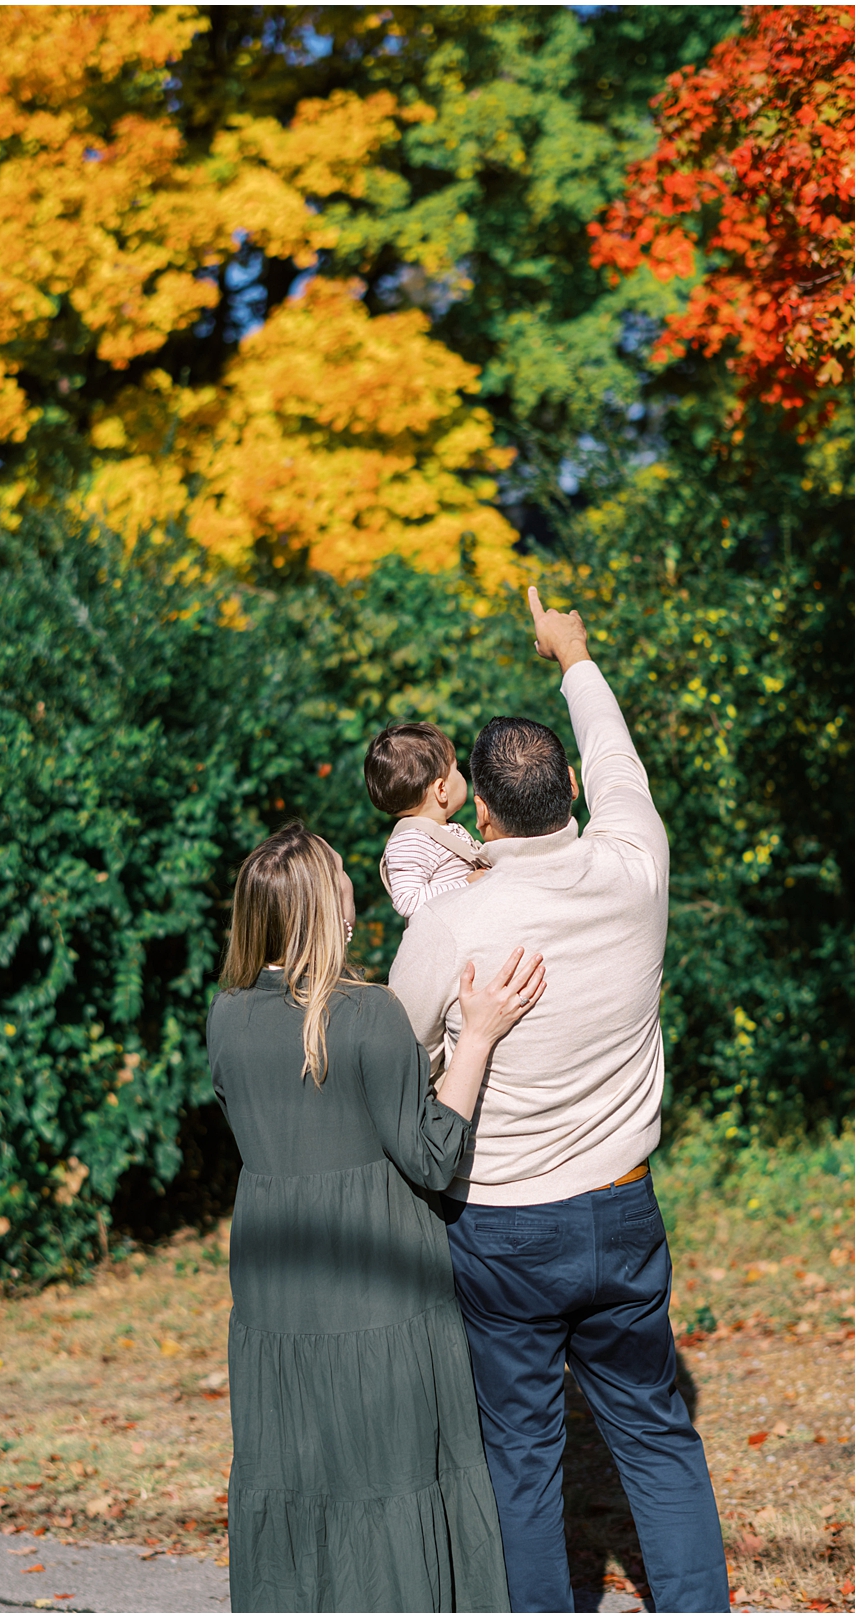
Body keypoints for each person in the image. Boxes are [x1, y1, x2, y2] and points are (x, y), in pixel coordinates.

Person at [388, 586, 731, 1615]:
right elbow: (619, 759)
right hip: (623, 1206)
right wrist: (571, 653)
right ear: (570, 788)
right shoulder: (636, 866)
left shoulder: (454, 927)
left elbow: (397, 1050)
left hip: (501, 1227)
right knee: (661, 1437)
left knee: (524, 1455)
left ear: (479, 811)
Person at [206, 822, 545, 1613]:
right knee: (391, 1477)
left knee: (300, 1469)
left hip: (274, 1280)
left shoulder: (225, 1016)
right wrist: (480, 1037)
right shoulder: (369, 1015)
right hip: (378, 1275)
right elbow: (433, 1156)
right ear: (332, 907)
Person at [364, 721, 488, 917]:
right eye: (456, 769)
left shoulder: (440, 830)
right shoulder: (411, 840)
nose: (461, 775)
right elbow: (407, 901)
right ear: (441, 790)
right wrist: (466, 883)